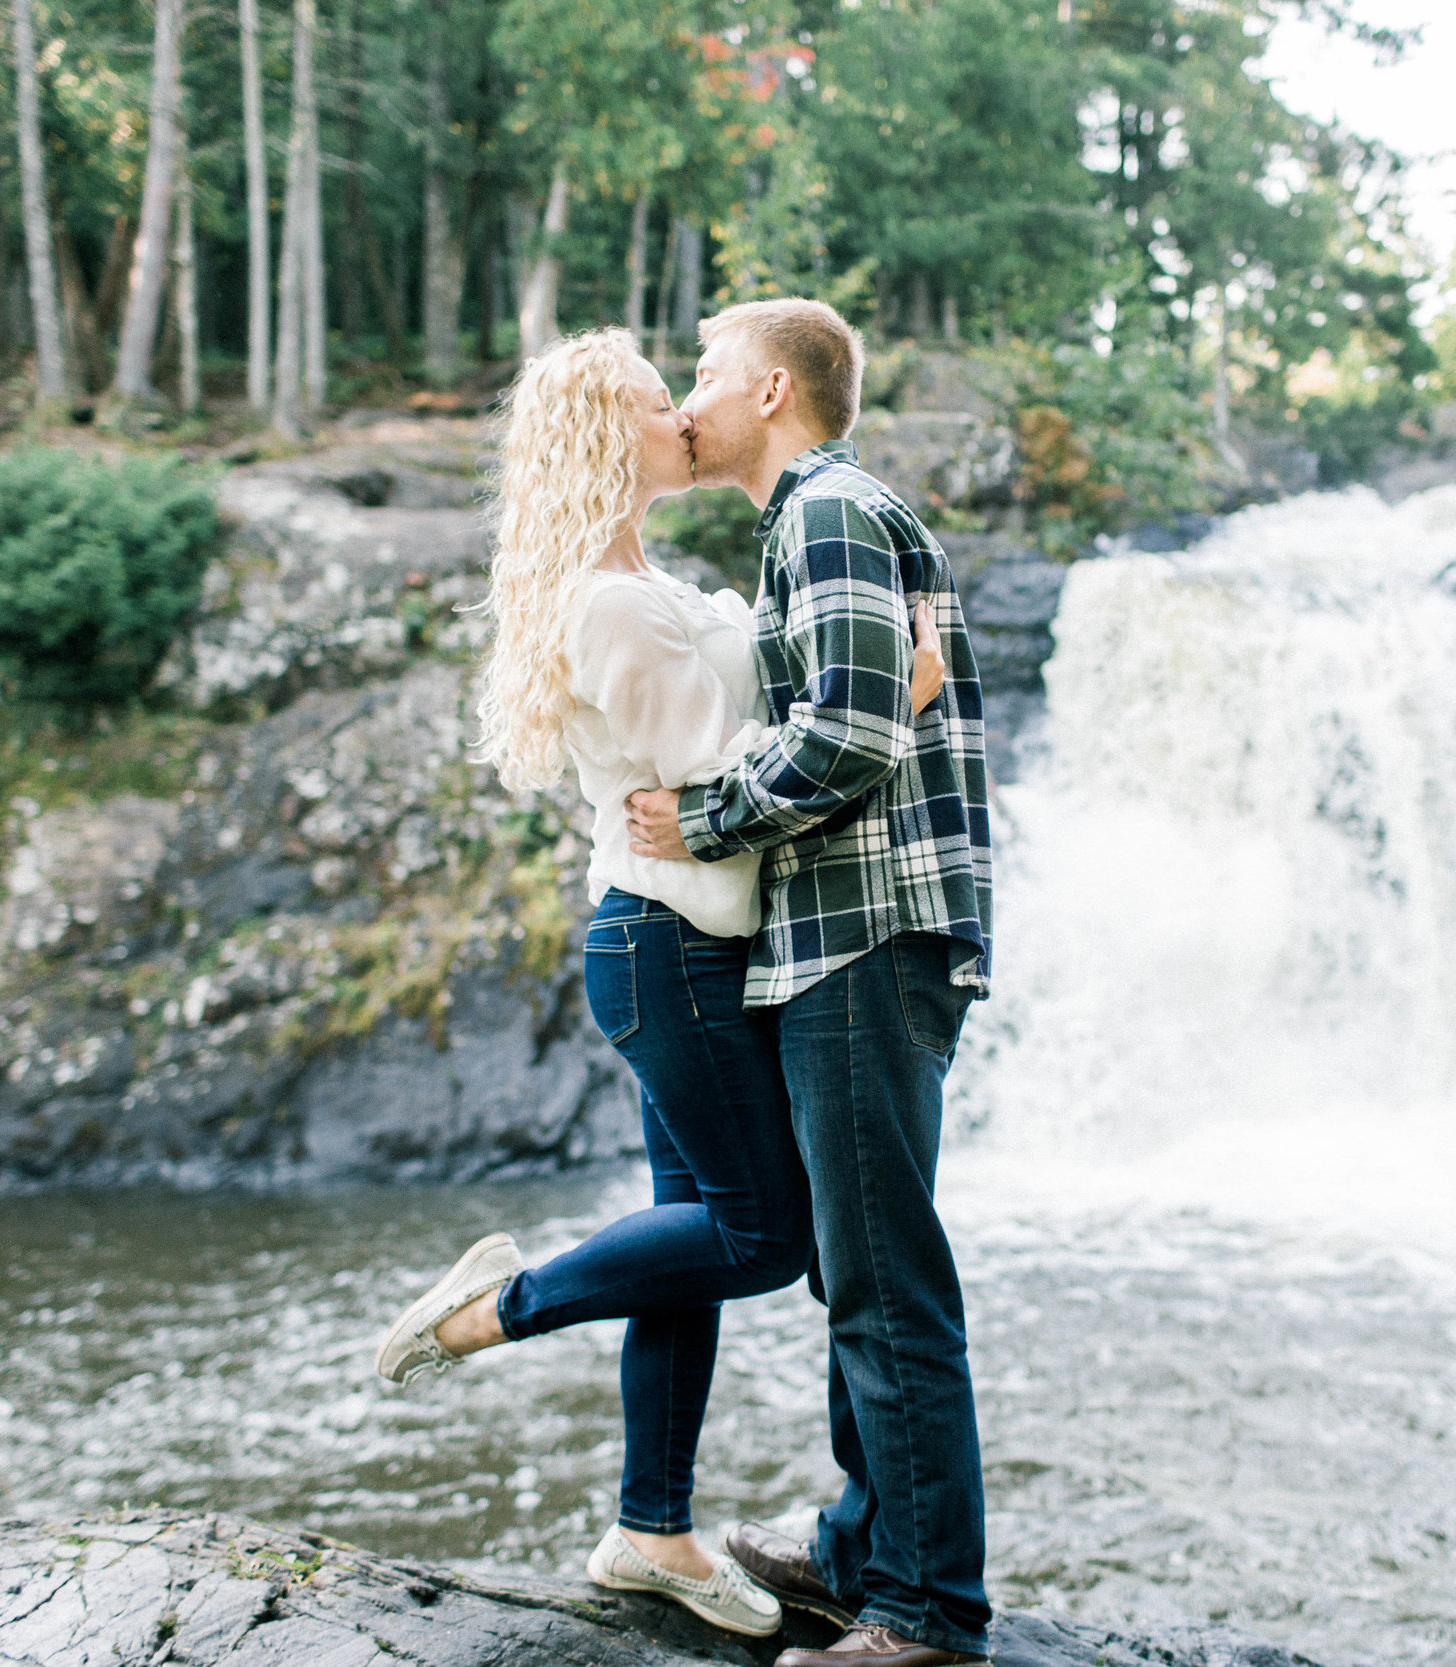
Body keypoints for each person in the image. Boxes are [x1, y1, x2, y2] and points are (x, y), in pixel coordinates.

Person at [369, 325, 946, 1639]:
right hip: (668, 948)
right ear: (603, 437)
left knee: (683, 1252)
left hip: (681, 944)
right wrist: (888, 700)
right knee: (764, 1237)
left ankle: (650, 1525)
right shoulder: (615, 602)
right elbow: (724, 767)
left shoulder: (639, 577)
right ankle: (486, 1314)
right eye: (654, 402)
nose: (683, 415)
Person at [625, 298, 998, 1667]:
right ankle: (862, 1555)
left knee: (886, 1279)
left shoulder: (829, 512)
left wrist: (702, 817)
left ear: (773, 390)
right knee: (854, 1267)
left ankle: (927, 1613)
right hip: (846, 935)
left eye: (709, 374)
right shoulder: (813, 524)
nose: (688, 399)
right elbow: (865, 705)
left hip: (865, 933)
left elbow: (850, 734)